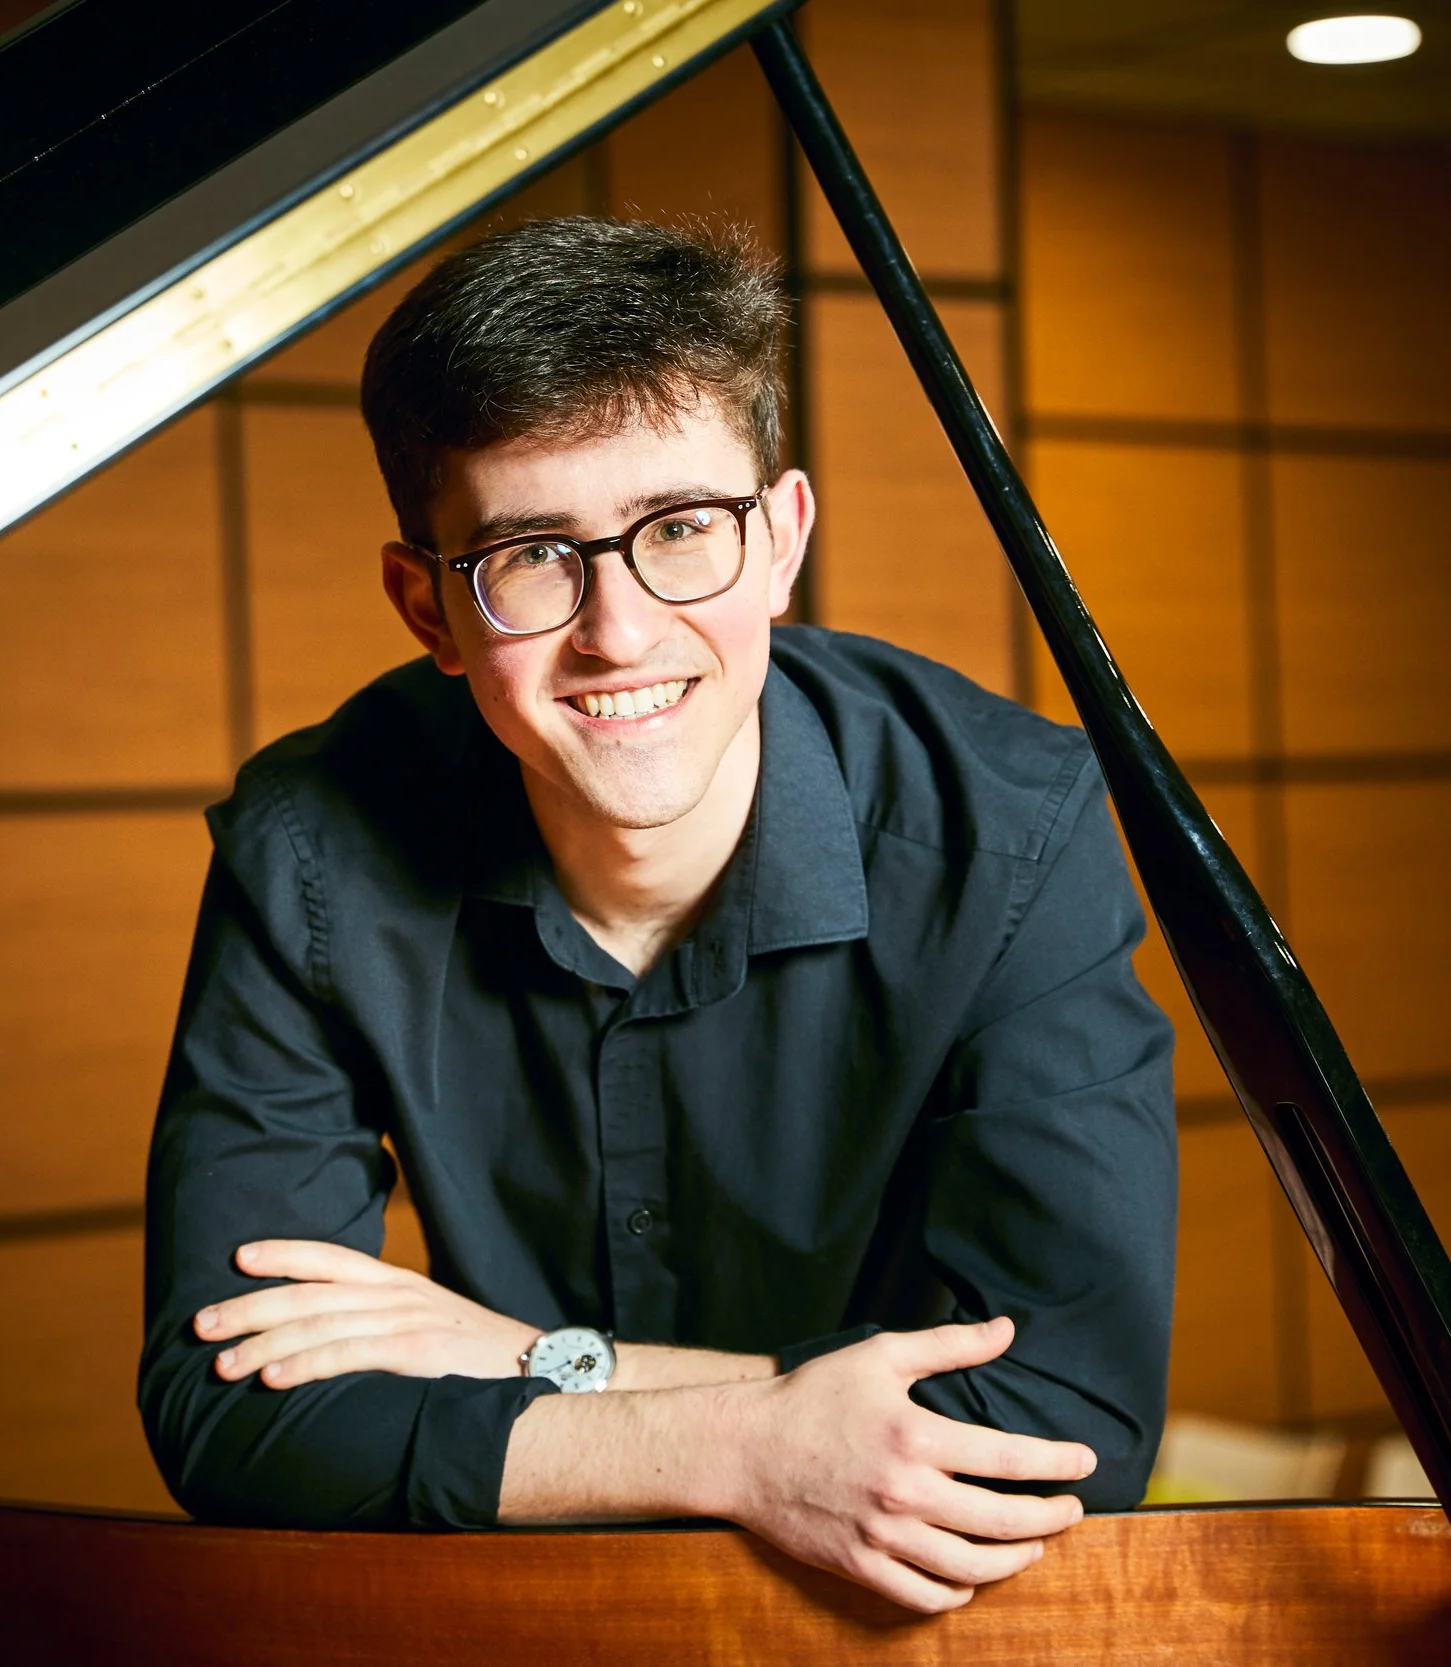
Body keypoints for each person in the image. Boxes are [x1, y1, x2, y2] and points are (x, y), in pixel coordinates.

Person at [139, 217, 1178, 1614]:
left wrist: (531, 1357)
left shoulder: (1010, 829)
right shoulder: (312, 844)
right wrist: (748, 1441)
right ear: (427, 608)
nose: (619, 632)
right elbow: (233, 1414)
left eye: (682, 529)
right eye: (531, 558)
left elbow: (1066, 1432)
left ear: (783, 539)